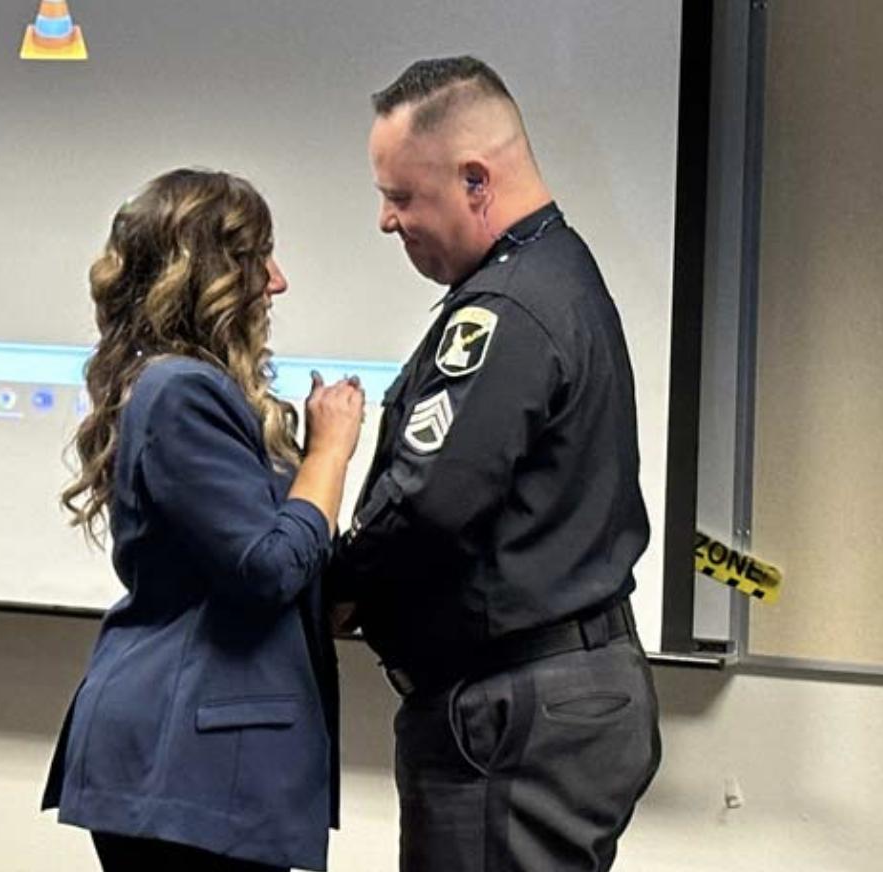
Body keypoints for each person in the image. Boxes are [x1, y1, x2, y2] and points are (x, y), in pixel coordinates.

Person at [328, 57, 662, 872]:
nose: (386, 219)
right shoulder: (554, 273)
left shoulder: (507, 310)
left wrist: (329, 586)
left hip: (514, 713)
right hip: (543, 697)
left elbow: (428, 503)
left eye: (401, 196)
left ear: (476, 179)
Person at [43, 168, 365, 872]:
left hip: (204, 760)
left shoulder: (207, 392)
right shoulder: (178, 390)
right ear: (210, 274)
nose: (277, 281)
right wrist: (331, 453)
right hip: (185, 760)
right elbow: (266, 567)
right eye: (259, 257)